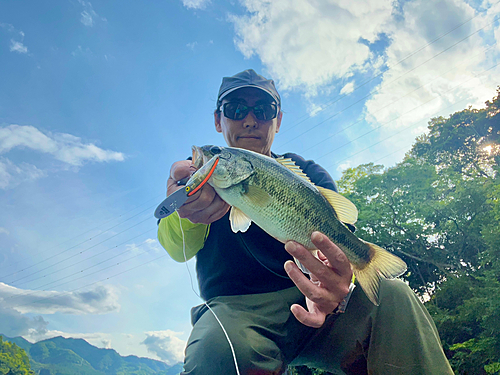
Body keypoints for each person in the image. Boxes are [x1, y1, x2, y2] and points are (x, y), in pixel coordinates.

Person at [157, 69, 453, 375]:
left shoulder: (309, 174)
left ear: (278, 120)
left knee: (393, 297)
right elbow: (177, 249)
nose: (249, 119)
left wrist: (335, 286)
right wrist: (184, 209)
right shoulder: (196, 184)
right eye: (235, 110)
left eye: (263, 110)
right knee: (215, 352)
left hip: (317, 303)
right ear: (218, 120)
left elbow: (337, 254)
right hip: (237, 314)